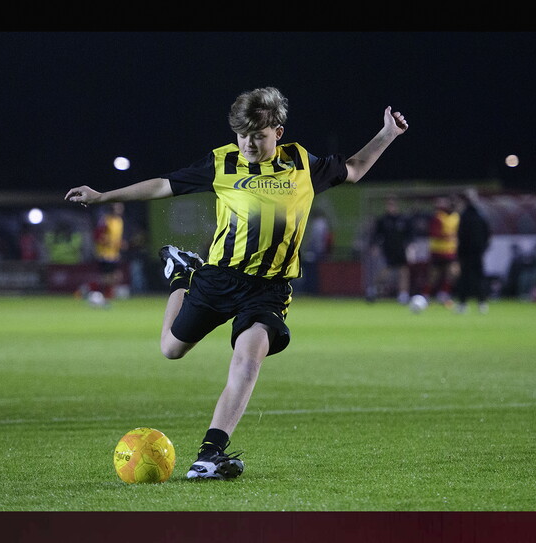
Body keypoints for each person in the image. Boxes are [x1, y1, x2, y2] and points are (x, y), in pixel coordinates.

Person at [65, 87, 408, 480]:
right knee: (171, 350)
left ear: (277, 133)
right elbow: (163, 184)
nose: (247, 144)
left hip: (269, 288)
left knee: (248, 361)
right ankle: (182, 274)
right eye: (241, 135)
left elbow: (355, 168)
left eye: (257, 136)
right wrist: (103, 196)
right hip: (219, 277)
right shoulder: (222, 162)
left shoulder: (302, 163)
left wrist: (387, 134)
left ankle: (210, 454)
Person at [366, 196, 412, 304]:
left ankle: (403, 295)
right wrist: (374, 246)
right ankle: (372, 289)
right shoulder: (383, 220)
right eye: (389, 204)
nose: (391, 207)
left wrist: (410, 247)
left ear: (397, 206)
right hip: (387, 250)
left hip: (401, 250)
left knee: (403, 271)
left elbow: (409, 235)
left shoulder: (403, 219)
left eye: (393, 204)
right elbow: (376, 235)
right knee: (385, 273)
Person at [453, 189, 491, 314]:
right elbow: (488, 234)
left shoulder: (464, 217)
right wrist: (483, 248)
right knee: (479, 278)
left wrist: (459, 254)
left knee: (465, 278)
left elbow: (461, 236)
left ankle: (463, 304)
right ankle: (482, 303)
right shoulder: (481, 215)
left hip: (467, 253)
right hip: (478, 252)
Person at [422, 195, 460, 308]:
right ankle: (425, 295)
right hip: (438, 251)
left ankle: (444, 294)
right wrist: (446, 236)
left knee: (453, 273)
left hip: (451, 251)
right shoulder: (438, 217)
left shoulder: (456, 217)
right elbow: (433, 233)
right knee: (433, 276)